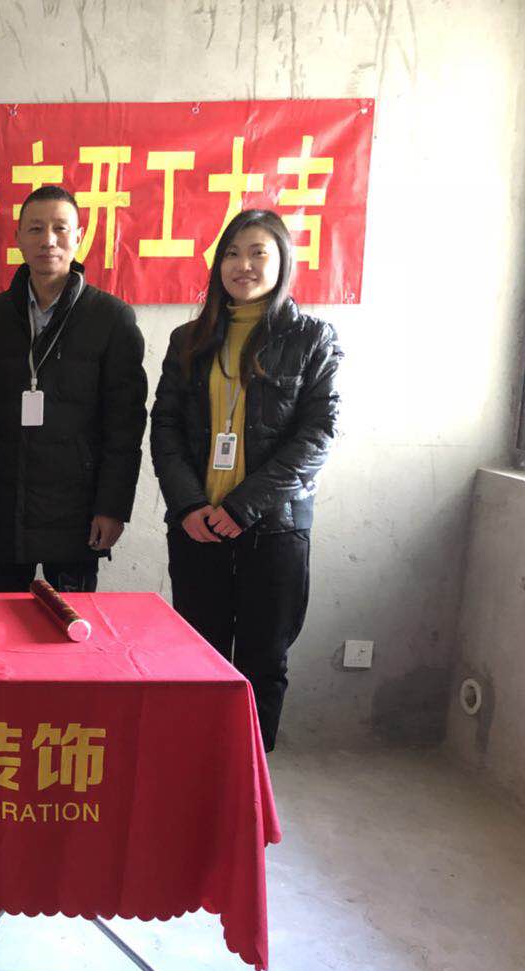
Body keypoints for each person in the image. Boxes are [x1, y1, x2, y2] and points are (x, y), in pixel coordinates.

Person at [150, 208, 342, 752]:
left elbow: (318, 436)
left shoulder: (312, 338)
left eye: (258, 252)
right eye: (232, 253)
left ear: (282, 261)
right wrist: (188, 505)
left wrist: (242, 507)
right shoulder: (189, 339)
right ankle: (199, 766)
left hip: (274, 530)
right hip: (198, 527)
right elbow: (165, 427)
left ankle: (249, 777)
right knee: (198, 654)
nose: (243, 265)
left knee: (263, 660)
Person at [0, 184, 147, 592]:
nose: (49, 240)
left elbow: (124, 427)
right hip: (3, 504)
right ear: (19, 238)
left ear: (79, 237)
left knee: (70, 626)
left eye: (60, 228)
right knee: (2, 623)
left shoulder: (111, 318)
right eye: (36, 229)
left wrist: (112, 508)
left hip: (78, 511)